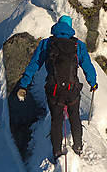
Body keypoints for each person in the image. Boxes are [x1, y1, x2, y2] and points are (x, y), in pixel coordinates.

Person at [16, 15, 97, 162]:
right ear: (70, 28)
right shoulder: (78, 46)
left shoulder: (46, 44)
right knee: (74, 117)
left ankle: (57, 152)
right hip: (72, 89)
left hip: (53, 89)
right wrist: (93, 83)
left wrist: (24, 85)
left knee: (56, 120)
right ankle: (78, 147)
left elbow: (33, 66)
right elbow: (88, 66)